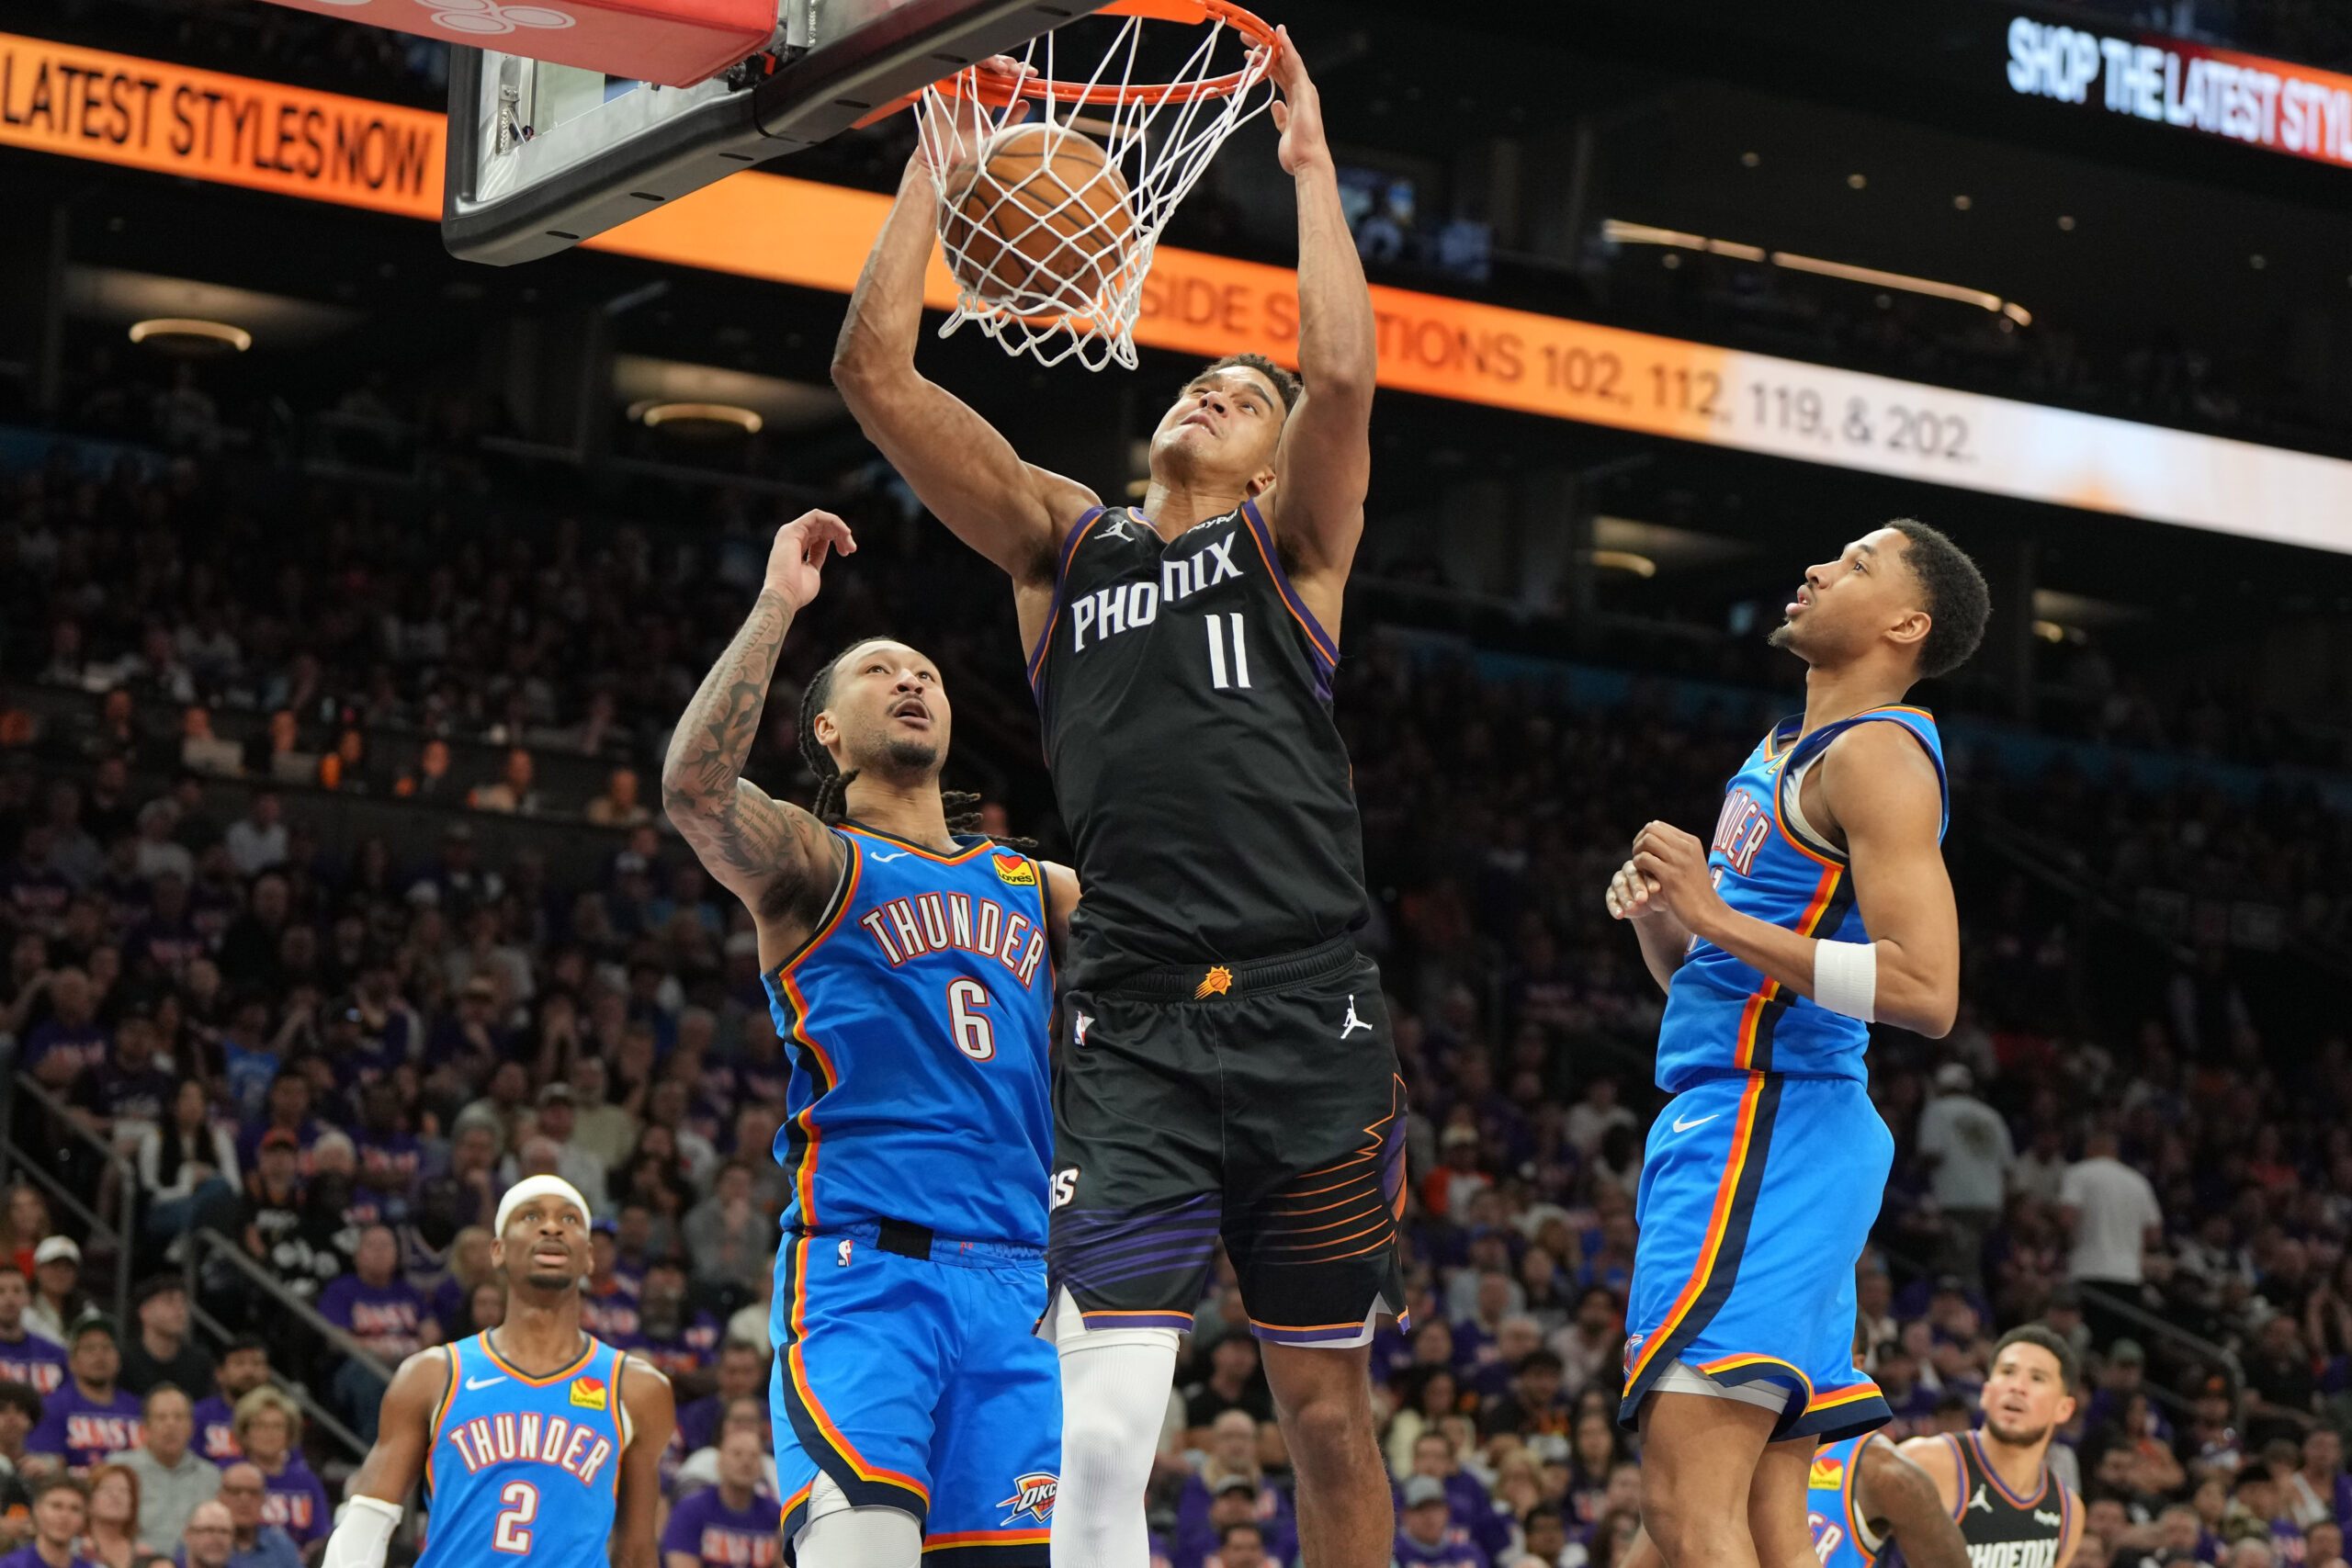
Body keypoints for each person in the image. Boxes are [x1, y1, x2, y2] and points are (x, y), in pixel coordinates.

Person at [835, 31, 1403, 1568]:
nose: (1217, 388)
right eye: (1204, 377)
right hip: (1138, 1016)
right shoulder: (1060, 548)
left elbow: (1340, 369)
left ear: (1281, 463)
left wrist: (1309, 173)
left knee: (1327, 1418)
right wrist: (934, 166)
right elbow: (875, 375)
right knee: (1096, 1435)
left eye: (1244, 394)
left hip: (1309, 1009)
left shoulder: (1295, 552)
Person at [659, 511, 1069, 1568]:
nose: (909, 681)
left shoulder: (1031, 886)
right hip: (868, 1278)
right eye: (878, 671)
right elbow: (694, 792)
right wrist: (777, 607)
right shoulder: (816, 863)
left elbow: (1194, 948)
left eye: (924, 672)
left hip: (1019, 1288)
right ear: (827, 733)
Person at [1603, 522, 1989, 1568]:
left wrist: (1714, 916)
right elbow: (1713, 978)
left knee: (1685, 1514)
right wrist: (1664, 918)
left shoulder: (1880, 753)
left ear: (1907, 624)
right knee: (1774, 1522)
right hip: (1753, 1116)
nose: (1816, 566)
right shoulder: (1783, 750)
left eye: (1858, 564)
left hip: (1771, 1123)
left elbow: (1925, 989)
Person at [318, 1176, 673, 1568]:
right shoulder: (433, 1375)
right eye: (531, 1216)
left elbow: (638, 1552)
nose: (552, 1226)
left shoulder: (637, 1388)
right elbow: (365, 1523)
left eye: (569, 1219)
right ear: (498, 1250)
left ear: (588, 1256)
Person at [1900, 1327, 2086, 1568]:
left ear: (2064, 1409)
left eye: (2037, 1378)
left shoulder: (2068, 1512)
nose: (2017, 1387)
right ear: (1986, 1393)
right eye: (2008, 1372)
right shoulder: (1924, 1462)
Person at [1916, 1064, 2013, 1291]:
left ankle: (1968, 1315)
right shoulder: (1991, 1115)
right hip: (1990, 1202)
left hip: (1955, 1200)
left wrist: (1914, 1169)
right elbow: (2007, 1168)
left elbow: (1932, 1153)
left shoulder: (1937, 1109)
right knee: (1973, 1263)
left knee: (1958, 1270)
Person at [105, 1387, 214, 1551]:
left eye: (179, 1417)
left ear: (191, 1427)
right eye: (161, 1418)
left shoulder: (211, 1477)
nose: (171, 1425)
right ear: (145, 1428)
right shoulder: (118, 1469)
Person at [25, 1324, 141, 1472]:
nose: (99, 1355)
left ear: (118, 1360)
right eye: (89, 1348)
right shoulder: (51, 1407)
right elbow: (45, 1465)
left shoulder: (138, 1409)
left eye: (107, 1348)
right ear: (72, 1363)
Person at [659, 1427, 777, 1568]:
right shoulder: (689, 1511)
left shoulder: (776, 1517)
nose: (746, 1462)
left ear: (762, 1466)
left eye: (754, 1455)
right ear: (719, 1461)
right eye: (737, 1454)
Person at [221, 1393, 323, 1550]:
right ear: (245, 1432)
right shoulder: (228, 1475)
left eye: (278, 1426)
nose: (269, 1433)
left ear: (289, 1435)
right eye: (261, 1425)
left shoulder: (307, 1482)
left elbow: (318, 1537)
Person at [114, 1284, 210, 1403]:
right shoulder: (123, 1361)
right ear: (145, 1311)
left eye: (183, 1301)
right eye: (169, 1301)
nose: (179, 1308)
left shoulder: (200, 1362)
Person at [187, 1341, 266, 1465]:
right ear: (220, 1374)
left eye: (256, 1364)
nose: (249, 1371)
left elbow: (292, 1467)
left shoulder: (281, 1417)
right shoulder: (198, 1415)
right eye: (239, 1363)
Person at [209, 1466, 300, 1568]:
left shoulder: (282, 1547)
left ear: (263, 1500)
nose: (245, 1500)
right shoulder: (201, 1542)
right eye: (235, 1491)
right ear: (219, 1497)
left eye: (253, 1493)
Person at [1, 1473, 93, 1568]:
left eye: (75, 1509)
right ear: (37, 1510)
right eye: (56, 1506)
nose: (64, 1516)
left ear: (84, 1518)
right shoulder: (10, 1565)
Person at [1395, 1474, 1487, 1568]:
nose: (1429, 1516)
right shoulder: (1394, 1553)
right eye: (1420, 1508)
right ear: (1405, 1515)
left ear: (1447, 1511)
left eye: (1434, 1507)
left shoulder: (1467, 1550)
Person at [0, 1274, 65, 1397]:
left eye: (17, 1290)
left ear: (28, 1298)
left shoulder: (55, 1355)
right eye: (1, 1291)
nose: (9, 1298)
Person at [70, 1464, 143, 1568]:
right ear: (88, 1500)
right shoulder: (72, 1550)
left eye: (124, 1490)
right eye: (106, 1489)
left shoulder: (143, 1553)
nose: (116, 1495)